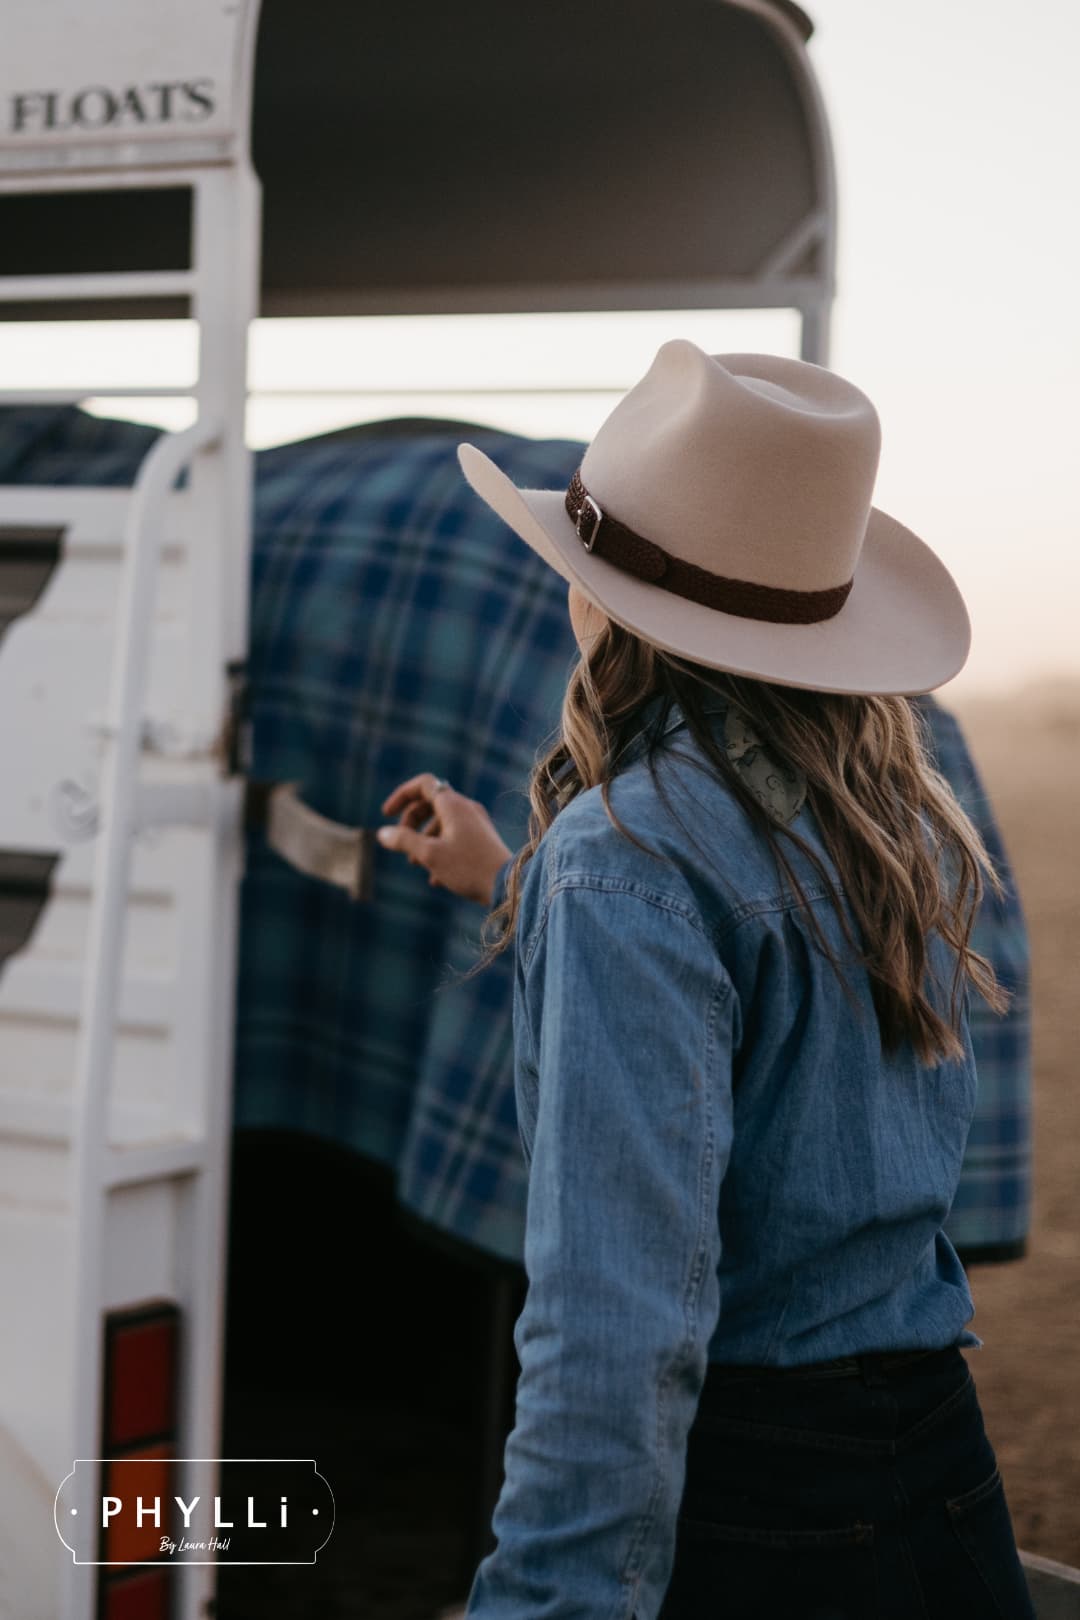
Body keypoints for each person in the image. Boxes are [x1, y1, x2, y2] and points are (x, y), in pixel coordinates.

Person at [375, 342, 1036, 1619]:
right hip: (938, 1470)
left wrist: (551, 1604)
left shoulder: (620, 863)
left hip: (760, 1505)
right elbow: (758, 985)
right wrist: (512, 878)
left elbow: (617, 1327)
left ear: (601, 604)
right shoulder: (889, 817)